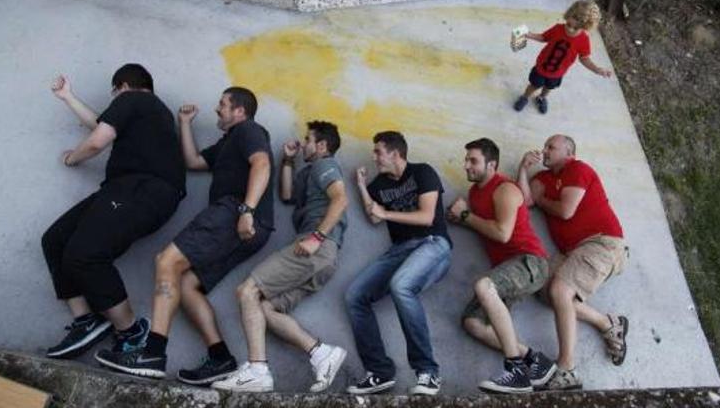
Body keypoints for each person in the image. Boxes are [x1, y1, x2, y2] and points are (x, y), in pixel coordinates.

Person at [94, 87, 275, 384]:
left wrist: (247, 210)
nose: (217, 109)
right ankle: (220, 358)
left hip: (234, 213)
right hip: (252, 227)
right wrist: (185, 123)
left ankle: (152, 353)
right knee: (188, 285)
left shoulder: (249, 130)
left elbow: (262, 164)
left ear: (240, 111)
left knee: (166, 261)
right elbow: (193, 162)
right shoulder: (228, 142)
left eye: (223, 104)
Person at [42, 64, 185, 360]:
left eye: (113, 94)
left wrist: (71, 159)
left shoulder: (134, 100)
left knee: (85, 254)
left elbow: (97, 141)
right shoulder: (146, 112)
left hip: (141, 190)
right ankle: (86, 321)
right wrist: (68, 97)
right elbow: (101, 125)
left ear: (121, 86)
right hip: (124, 191)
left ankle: (132, 332)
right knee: (55, 240)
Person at [213, 121, 349, 393]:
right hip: (324, 257)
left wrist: (316, 237)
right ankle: (321, 353)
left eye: (308, 139)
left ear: (322, 146)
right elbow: (287, 195)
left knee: (247, 290)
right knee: (265, 308)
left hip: (315, 246)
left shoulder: (325, 164)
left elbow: (340, 199)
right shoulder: (310, 172)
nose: (304, 144)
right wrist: (287, 161)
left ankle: (257, 370)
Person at [516, 134, 629, 390]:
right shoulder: (542, 179)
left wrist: (543, 200)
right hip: (572, 252)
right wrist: (523, 170)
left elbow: (566, 210)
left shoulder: (578, 169)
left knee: (560, 291)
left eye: (551, 147)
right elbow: (525, 202)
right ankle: (608, 323)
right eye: (544, 146)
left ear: (569, 152)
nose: (544, 150)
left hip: (602, 243)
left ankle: (567, 369)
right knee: (544, 290)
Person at [345, 131, 452, 396]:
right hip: (400, 250)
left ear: (395, 153)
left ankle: (428, 372)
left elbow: (427, 217)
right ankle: (379, 372)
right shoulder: (379, 184)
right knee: (354, 295)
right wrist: (361, 186)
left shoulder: (422, 172)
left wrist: (385, 212)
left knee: (401, 286)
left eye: (378, 152)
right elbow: (374, 218)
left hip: (432, 244)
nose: (374, 157)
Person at [447, 138, 555, 393]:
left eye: (473, 160)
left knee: (484, 285)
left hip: (531, 263)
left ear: (491, 164)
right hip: (508, 270)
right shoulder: (475, 193)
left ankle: (516, 371)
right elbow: (482, 224)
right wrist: (459, 218)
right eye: (466, 160)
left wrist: (465, 215)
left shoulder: (505, 188)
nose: (466, 166)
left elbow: (502, 233)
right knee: (472, 322)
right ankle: (535, 361)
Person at [512, 0, 613, 114]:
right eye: (569, 24)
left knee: (548, 88)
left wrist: (597, 69)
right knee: (534, 85)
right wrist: (529, 34)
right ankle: (525, 97)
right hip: (541, 68)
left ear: (585, 27)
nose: (570, 29)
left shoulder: (583, 40)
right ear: (568, 16)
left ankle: (541, 98)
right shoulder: (558, 29)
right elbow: (543, 37)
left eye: (575, 28)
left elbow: (584, 58)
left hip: (558, 73)